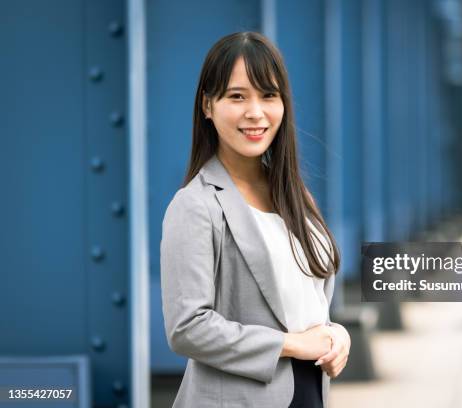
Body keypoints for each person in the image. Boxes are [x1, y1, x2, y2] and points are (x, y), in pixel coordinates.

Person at [160, 31, 351, 408]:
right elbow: (187, 328)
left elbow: (305, 302)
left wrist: (336, 334)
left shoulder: (296, 197)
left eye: (268, 95)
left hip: (308, 391)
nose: (255, 112)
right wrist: (290, 344)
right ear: (207, 106)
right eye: (237, 96)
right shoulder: (196, 206)